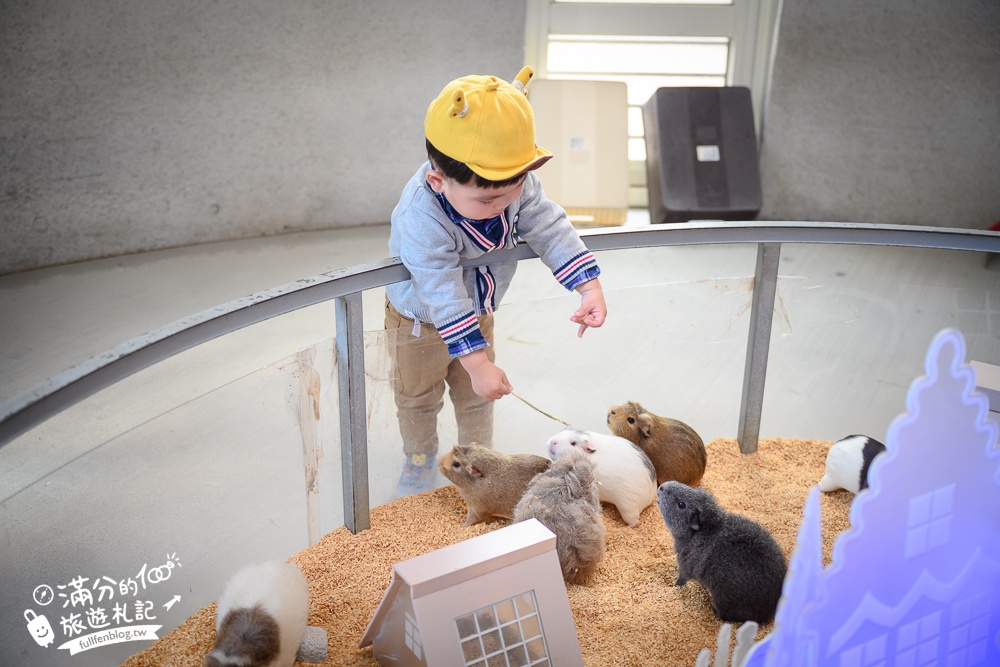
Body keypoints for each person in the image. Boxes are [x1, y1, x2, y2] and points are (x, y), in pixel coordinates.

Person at [385, 66, 607, 497]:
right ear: (438, 180)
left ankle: (477, 455)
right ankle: (419, 458)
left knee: (477, 396)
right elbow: (443, 295)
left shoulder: (511, 182)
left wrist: (588, 285)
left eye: (514, 189)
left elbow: (548, 225)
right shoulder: (421, 216)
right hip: (422, 319)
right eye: (488, 199)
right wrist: (479, 362)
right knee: (419, 396)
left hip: (479, 312)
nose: (504, 204)